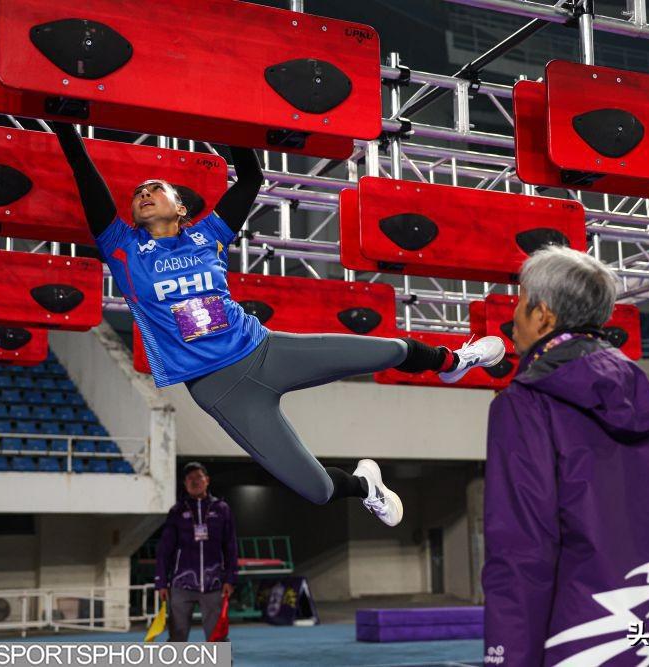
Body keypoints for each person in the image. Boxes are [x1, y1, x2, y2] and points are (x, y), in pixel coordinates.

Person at [50, 122, 505, 527]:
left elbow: (251, 178)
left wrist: (230, 125)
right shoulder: (122, 248)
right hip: (222, 392)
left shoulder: (207, 235)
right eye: (138, 194)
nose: (144, 193)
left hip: (266, 352)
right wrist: (65, 125)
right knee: (318, 490)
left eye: (156, 188)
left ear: (181, 208)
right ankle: (366, 486)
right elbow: (81, 170)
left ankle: (453, 361)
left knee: (389, 349)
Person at [483, 246, 649, 666]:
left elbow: (521, 553)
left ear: (543, 315)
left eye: (519, 302)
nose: (511, 318)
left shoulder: (525, 406)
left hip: (585, 647)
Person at [155, 462, 236, 642]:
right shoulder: (177, 511)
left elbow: (230, 546)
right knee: (176, 637)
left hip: (214, 583)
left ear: (207, 480)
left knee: (217, 637)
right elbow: (165, 549)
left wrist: (230, 579)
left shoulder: (222, 509)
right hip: (181, 584)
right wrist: (161, 582)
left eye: (198, 477)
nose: (195, 481)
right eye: (190, 478)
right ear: (185, 484)